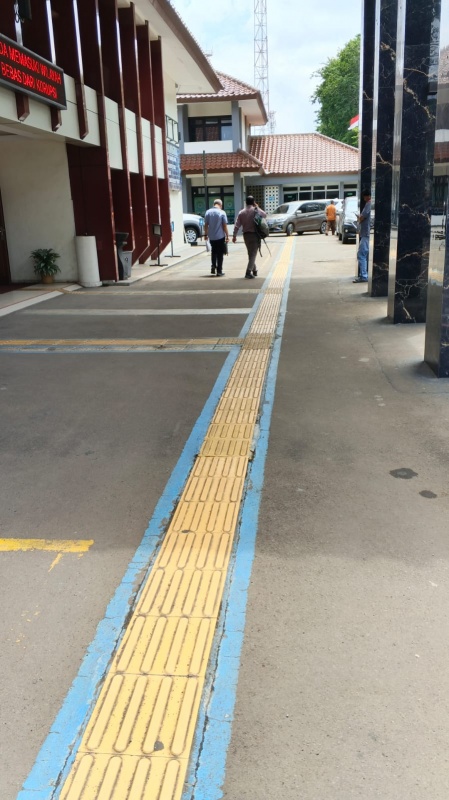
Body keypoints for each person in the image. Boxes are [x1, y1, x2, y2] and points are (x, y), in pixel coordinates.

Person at [232, 195, 267, 278]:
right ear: (253, 202)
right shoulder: (256, 210)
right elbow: (264, 215)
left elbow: (237, 225)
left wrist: (234, 235)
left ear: (246, 203)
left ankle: (254, 270)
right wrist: (257, 207)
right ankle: (248, 272)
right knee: (253, 254)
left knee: (250, 253)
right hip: (254, 235)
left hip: (246, 235)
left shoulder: (241, 212)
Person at [204, 199, 229, 276]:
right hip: (220, 236)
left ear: (214, 204)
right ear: (220, 205)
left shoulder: (208, 212)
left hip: (212, 236)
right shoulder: (222, 212)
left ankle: (213, 266)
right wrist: (227, 235)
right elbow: (224, 225)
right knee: (220, 254)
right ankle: (219, 271)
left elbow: (206, 225)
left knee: (214, 251)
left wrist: (205, 235)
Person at [353, 189, 372, 283]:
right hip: (365, 233)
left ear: (366, 196)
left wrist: (358, 218)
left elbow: (362, 218)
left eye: (364, 196)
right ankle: (363, 275)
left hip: (366, 233)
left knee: (361, 254)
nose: (364, 198)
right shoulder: (370, 204)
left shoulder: (368, 204)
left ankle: (364, 276)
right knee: (363, 254)